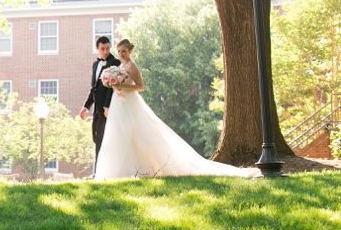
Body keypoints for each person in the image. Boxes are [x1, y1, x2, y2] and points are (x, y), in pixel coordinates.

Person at [94, 38, 256, 179]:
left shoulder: (131, 66)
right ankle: (120, 169)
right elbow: (119, 85)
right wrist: (115, 87)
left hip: (130, 102)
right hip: (120, 102)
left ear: (130, 51)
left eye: (124, 51)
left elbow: (140, 87)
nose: (121, 54)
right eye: (119, 51)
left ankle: (146, 166)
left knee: (138, 132)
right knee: (119, 133)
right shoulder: (120, 67)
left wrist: (123, 86)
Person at [79, 35, 121, 170]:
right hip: (96, 108)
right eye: (102, 49)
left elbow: (111, 88)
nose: (105, 51)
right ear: (97, 48)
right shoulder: (95, 64)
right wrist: (86, 106)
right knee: (96, 137)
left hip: (107, 108)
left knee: (102, 139)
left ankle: (99, 172)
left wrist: (107, 106)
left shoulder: (115, 63)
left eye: (108, 48)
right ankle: (100, 170)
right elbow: (94, 88)